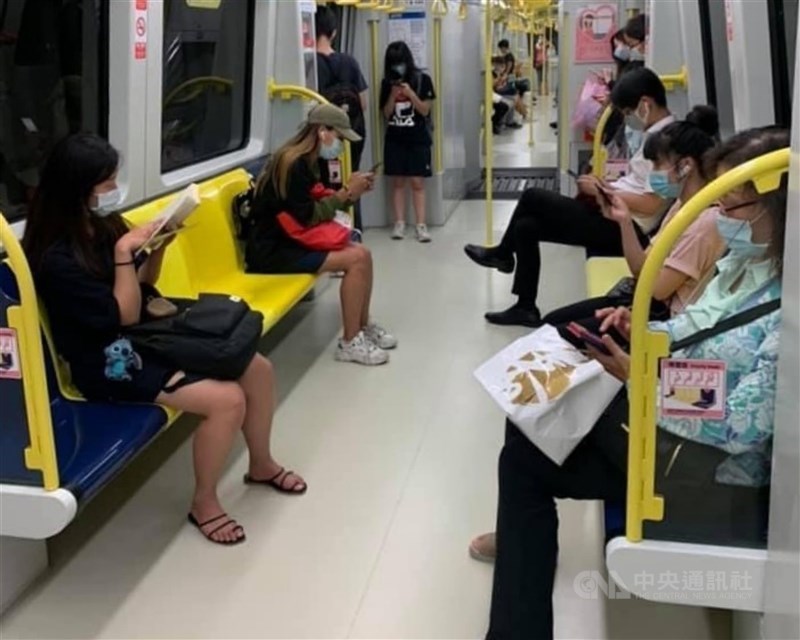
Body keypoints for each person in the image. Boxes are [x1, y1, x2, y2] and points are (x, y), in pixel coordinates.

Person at [484, 127, 788, 640]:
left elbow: (742, 427)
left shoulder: (787, 312)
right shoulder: (744, 266)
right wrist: (640, 332)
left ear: (775, 210)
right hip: (674, 427)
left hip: (712, 473)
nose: (720, 219)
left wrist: (640, 382)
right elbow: (696, 333)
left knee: (531, 442)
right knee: (526, 441)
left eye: (731, 207)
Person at [22, 133, 307, 547]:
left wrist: (156, 248)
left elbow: (141, 286)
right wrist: (124, 253)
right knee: (227, 400)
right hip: (106, 361)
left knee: (258, 369)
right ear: (77, 187)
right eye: (105, 184)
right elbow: (123, 313)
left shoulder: (100, 224)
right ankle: (204, 503)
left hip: (136, 334)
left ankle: (261, 464)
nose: (111, 191)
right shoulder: (55, 258)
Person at [464, 67, 675, 328]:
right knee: (525, 227)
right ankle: (525, 306)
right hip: (616, 211)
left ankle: (504, 254)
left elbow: (652, 203)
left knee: (533, 197)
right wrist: (606, 186)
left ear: (645, 104)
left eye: (628, 113)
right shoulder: (654, 136)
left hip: (628, 229)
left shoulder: (668, 142)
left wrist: (604, 191)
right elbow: (639, 186)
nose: (628, 119)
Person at [546, 108, 725, 342]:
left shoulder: (705, 224)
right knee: (549, 324)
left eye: (658, 165)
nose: (654, 174)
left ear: (685, 166)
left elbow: (657, 289)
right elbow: (642, 268)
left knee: (557, 338)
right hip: (647, 302)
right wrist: (624, 222)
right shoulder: (681, 206)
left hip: (665, 322)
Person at [245, 104, 396, 366]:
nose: (339, 144)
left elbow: (309, 207)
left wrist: (349, 192)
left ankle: (361, 325)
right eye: (338, 136)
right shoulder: (292, 165)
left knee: (363, 254)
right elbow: (308, 216)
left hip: (288, 240)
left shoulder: (308, 161)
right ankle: (349, 342)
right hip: (273, 250)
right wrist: (348, 193)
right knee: (356, 260)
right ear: (322, 131)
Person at [315, 4, 368, 233]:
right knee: (351, 178)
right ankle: (354, 230)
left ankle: (331, 233)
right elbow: (363, 103)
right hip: (351, 134)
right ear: (334, 32)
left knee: (324, 185)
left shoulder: (307, 64)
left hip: (322, 136)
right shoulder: (350, 62)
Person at [380, 41, 436, 243]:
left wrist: (411, 94)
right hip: (395, 138)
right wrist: (393, 96)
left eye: (400, 62)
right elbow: (386, 114)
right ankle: (399, 223)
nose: (398, 67)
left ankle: (421, 225)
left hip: (418, 138)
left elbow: (425, 110)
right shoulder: (387, 84)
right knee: (397, 182)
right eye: (394, 63)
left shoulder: (423, 80)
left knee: (417, 182)